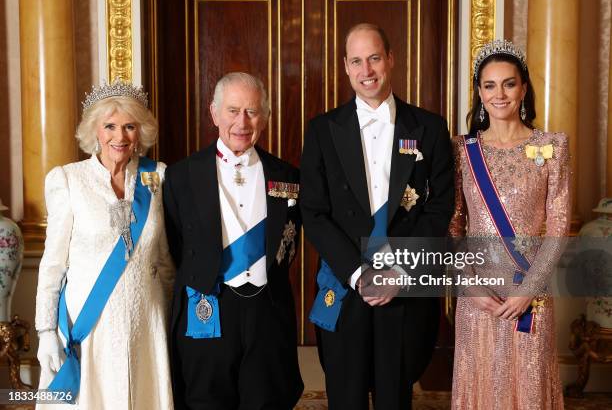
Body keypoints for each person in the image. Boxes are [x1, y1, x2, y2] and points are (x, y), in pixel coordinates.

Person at [300, 23, 454, 410]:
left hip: (404, 285)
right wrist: (360, 274)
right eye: (356, 61)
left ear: (390, 59)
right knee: (345, 397)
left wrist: (398, 272)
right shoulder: (322, 130)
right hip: (347, 280)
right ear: (345, 67)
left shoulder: (429, 127)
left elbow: (440, 207)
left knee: (395, 397)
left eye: (374, 58)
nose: (366, 70)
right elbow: (314, 212)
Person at [163, 72, 303, 410]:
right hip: (208, 306)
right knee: (205, 401)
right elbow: (174, 244)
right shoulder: (181, 175)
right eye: (233, 110)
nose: (242, 122)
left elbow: (289, 244)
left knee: (266, 400)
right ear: (214, 113)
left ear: (265, 117)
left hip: (267, 311)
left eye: (252, 112)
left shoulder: (288, 176)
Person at [35, 79, 175, 409]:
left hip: (146, 322)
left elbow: (165, 258)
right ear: (94, 130)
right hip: (90, 325)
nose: (120, 136)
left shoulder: (157, 177)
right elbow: (53, 265)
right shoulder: (68, 179)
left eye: (130, 126)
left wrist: (170, 321)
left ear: (141, 131)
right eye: (110, 126)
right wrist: (44, 332)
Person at [449, 39, 569, 409]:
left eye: (509, 83)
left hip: (530, 295)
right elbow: (453, 225)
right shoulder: (462, 150)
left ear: (524, 87)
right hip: (479, 297)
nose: (499, 94)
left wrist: (527, 290)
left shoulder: (552, 145)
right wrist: (470, 286)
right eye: (489, 85)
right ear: (479, 93)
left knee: (528, 383)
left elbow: (559, 225)